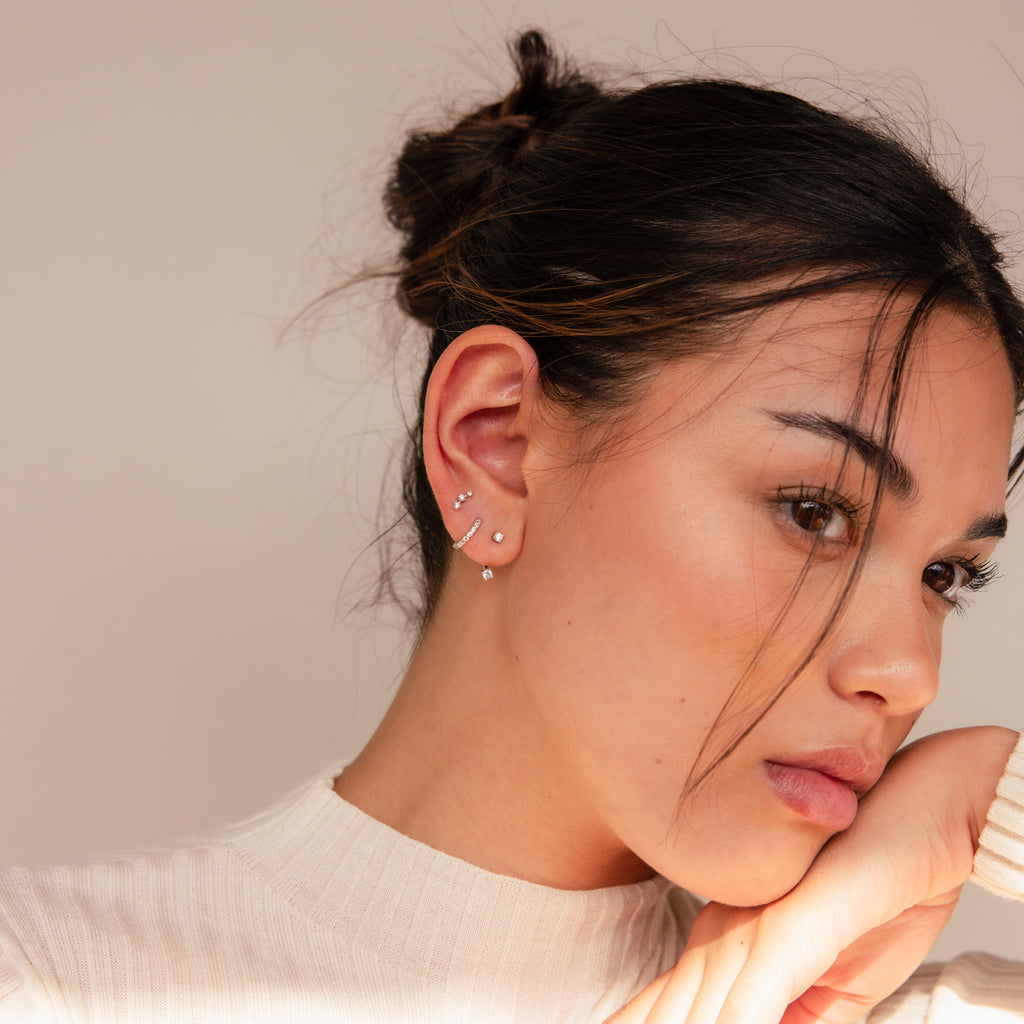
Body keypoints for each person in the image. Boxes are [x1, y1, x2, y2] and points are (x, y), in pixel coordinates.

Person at [2, 28, 1024, 1024]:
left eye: (945, 573)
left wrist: (975, 802)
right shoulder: (52, 980)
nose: (910, 673)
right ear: (492, 441)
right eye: (815, 512)